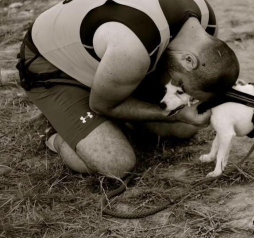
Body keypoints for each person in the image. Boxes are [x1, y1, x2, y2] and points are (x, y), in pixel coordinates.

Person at [16, 0, 240, 178]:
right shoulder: (132, 48)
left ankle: (116, 107)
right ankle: (56, 132)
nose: (186, 96)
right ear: (189, 61)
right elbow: (102, 105)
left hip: (114, 62)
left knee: (185, 128)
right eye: (183, 87)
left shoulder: (204, 21)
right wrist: (175, 114)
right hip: (54, 67)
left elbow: (208, 74)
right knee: (115, 163)